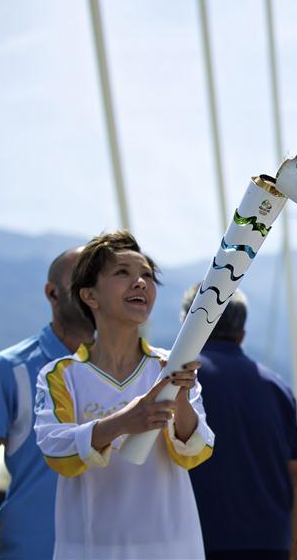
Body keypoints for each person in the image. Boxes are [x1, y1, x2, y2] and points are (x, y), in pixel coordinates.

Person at [34, 230, 214, 559]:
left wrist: (182, 399)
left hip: (171, 547)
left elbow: (196, 452)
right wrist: (124, 422)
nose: (141, 283)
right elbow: (57, 452)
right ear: (90, 296)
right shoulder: (61, 376)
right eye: (123, 273)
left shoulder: (169, 369)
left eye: (147, 275)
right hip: (90, 549)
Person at [0, 247, 94, 560]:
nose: (89, 292)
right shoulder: (9, 368)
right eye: (79, 281)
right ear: (52, 293)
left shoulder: (123, 368)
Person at [181, 286, 297, 560]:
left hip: (196, 539)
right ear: (242, 333)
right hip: (269, 542)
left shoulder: (179, 382)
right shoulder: (278, 388)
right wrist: (292, 548)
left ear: (187, 326)